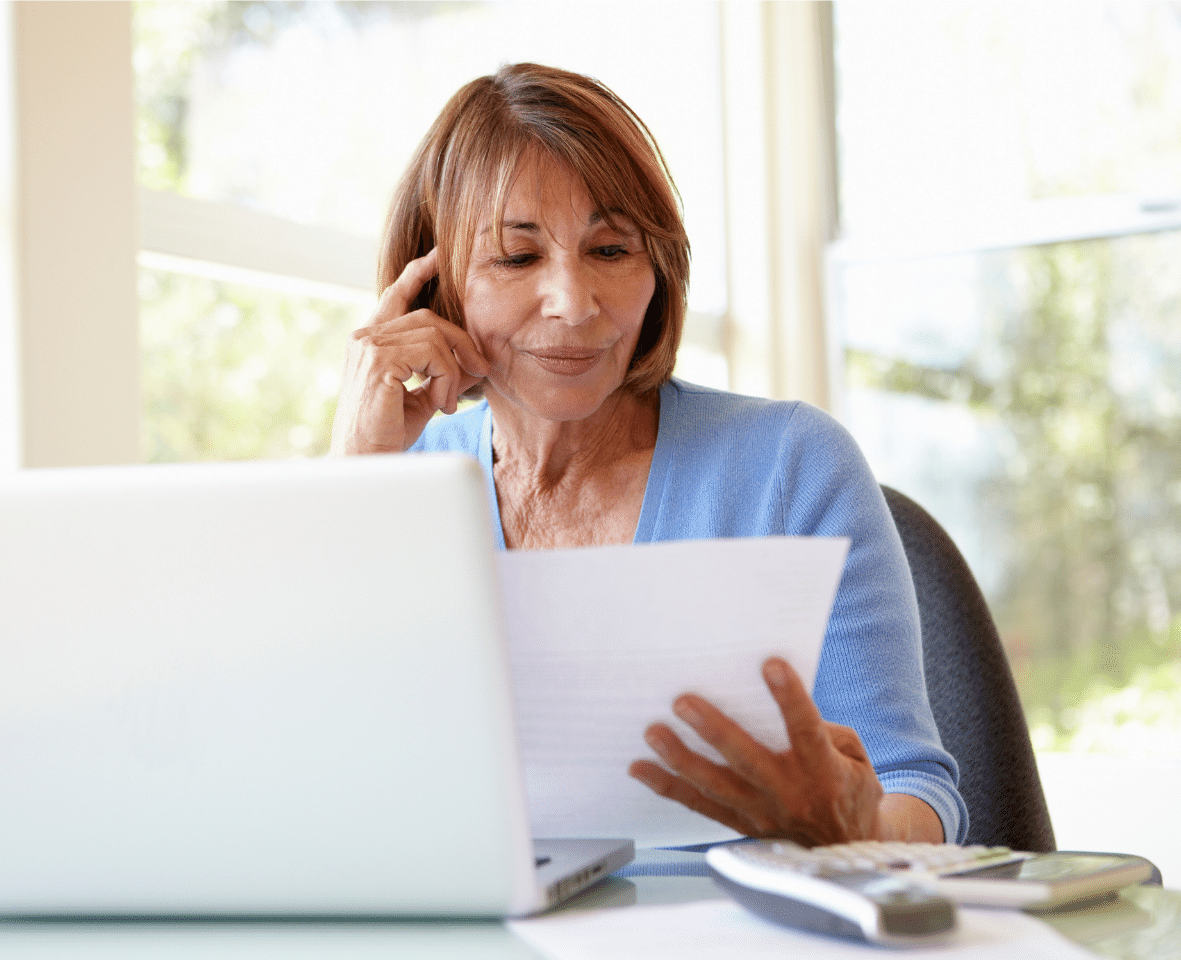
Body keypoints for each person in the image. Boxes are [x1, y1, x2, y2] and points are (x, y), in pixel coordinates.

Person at [330, 63, 968, 847]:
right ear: (437, 286)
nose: (574, 302)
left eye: (609, 249)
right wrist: (356, 479)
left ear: (656, 269)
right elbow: (319, 784)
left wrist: (852, 827)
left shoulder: (792, 466)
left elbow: (916, 796)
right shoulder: (389, 484)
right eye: (518, 257)